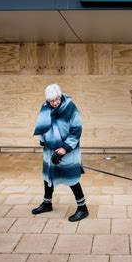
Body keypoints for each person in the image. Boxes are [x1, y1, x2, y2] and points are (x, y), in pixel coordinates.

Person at [32, 84, 88, 222]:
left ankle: (83, 208)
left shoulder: (71, 108)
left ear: (61, 96)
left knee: (72, 178)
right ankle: (47, 203)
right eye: (52, 101)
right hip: (50, 149)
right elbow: (41, 125)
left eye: (57, 99)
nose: (55, 102)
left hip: (68, 149)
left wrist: (65, 148)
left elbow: (77, 129)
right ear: (47, 101)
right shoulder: (45, 108)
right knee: (48, 176)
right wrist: (43, 142)